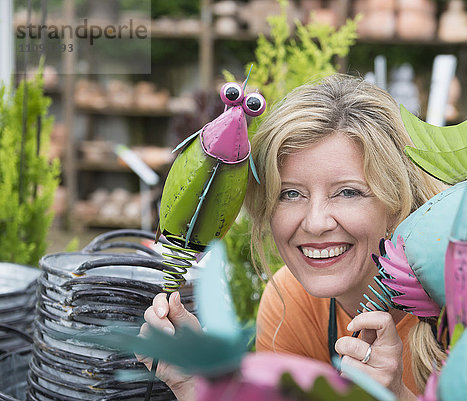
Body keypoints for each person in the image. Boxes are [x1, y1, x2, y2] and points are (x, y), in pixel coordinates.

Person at [141, 74, 447, 400]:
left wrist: (398, 396)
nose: (315, 223)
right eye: (290, 194)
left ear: (396, 203)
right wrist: (199, 385)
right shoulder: (291, 302)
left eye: (347, 192)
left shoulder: (463, 302)